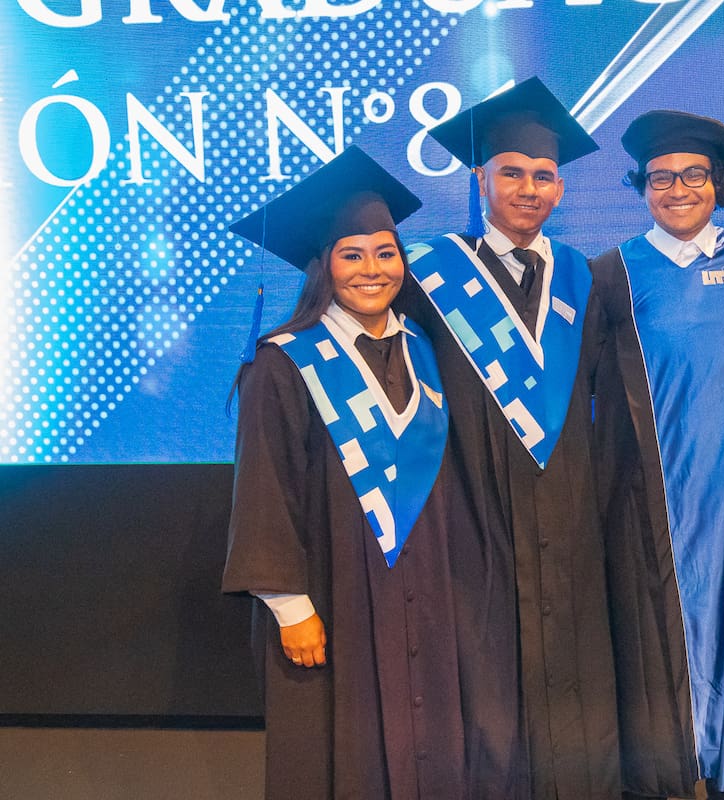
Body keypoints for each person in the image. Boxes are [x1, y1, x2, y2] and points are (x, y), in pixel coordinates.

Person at [222, 146, 474, 799]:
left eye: (386, 252)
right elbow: (265, 487)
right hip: (334, 592)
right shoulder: (283, 364)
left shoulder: (428, 348)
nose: (372, 269)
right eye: (352, 254)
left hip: (426, 588)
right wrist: (288, 604)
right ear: (323, 267)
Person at [399, 77, 621, 799]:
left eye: (544, 176)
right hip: (473, 511)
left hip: (566, 507)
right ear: (479, 179)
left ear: (560, 188)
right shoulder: (428, 275)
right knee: (485, 686)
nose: (529, 188)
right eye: (512, 173)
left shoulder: (581, 278)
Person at [589, 109, 724, 800]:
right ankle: (674, 765)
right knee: (668, 625)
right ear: (642, 186)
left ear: (720, 182)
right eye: (660, 178)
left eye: (693, 175)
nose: (677, 189)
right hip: (657, 490)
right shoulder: (611, 274)